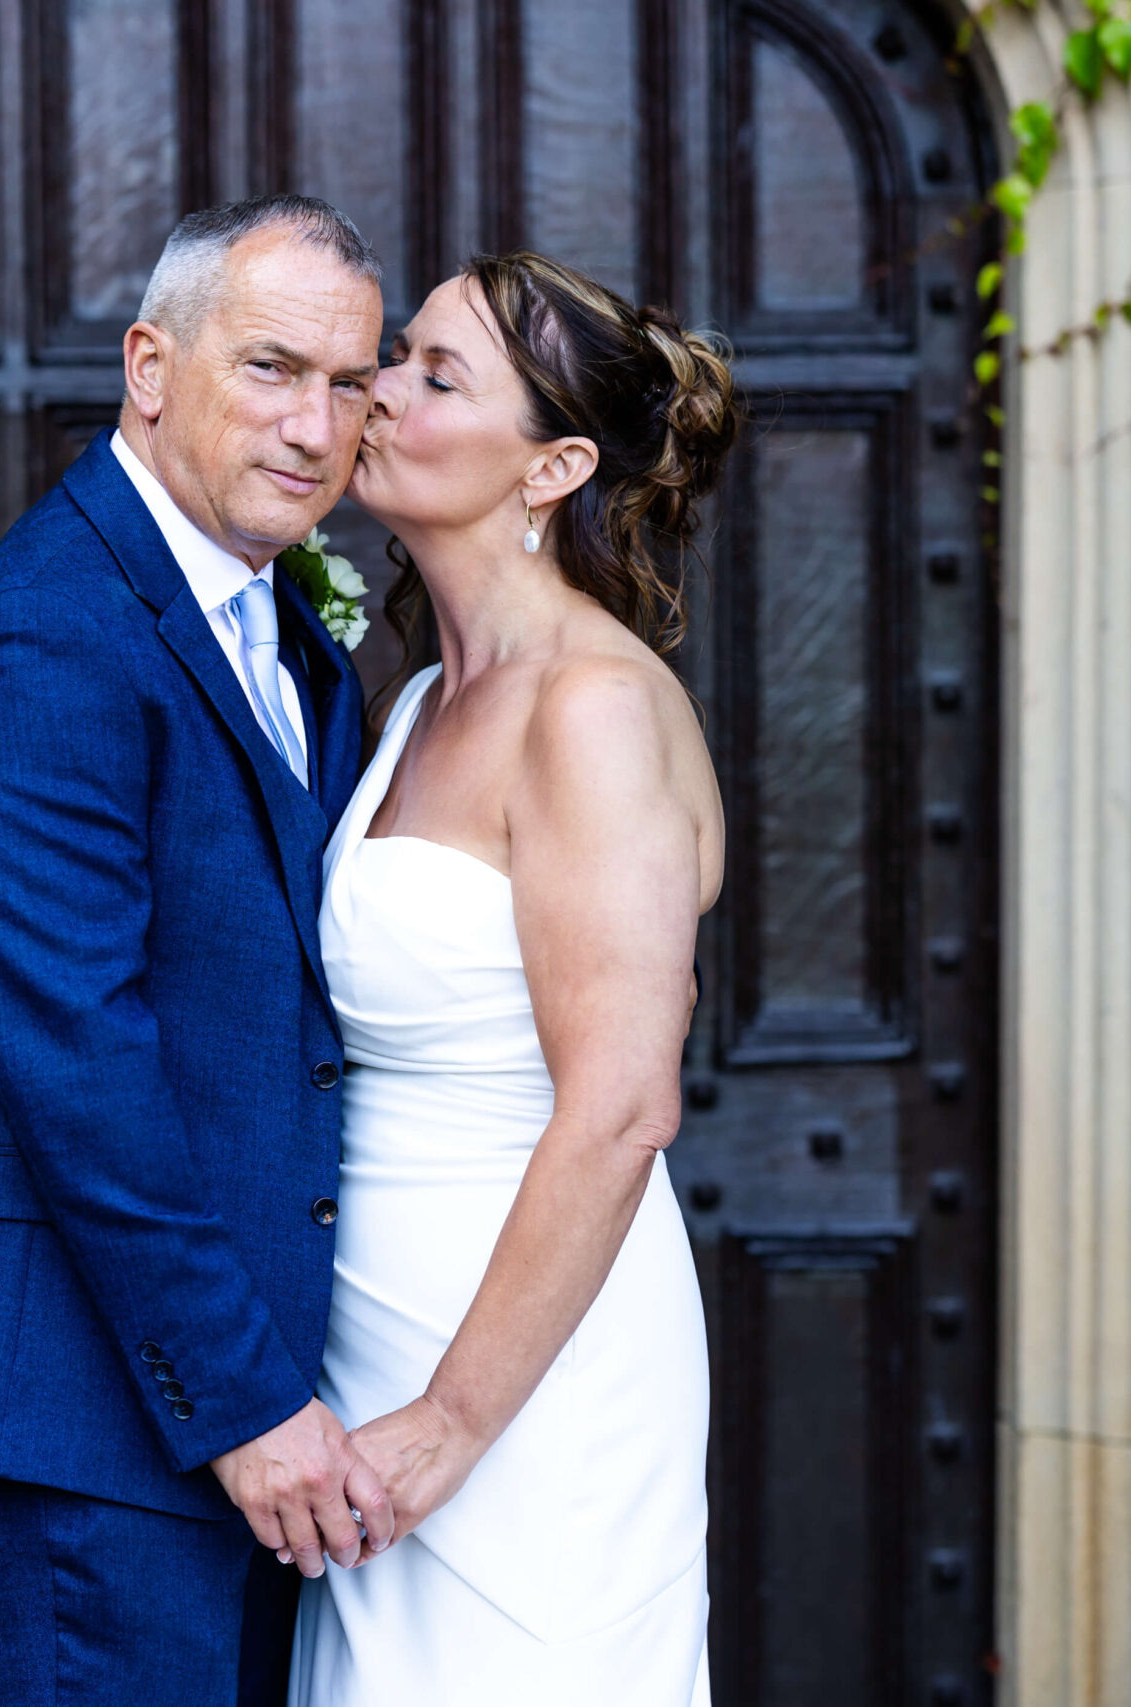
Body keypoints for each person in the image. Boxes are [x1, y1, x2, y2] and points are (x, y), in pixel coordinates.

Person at [0, 194, 393, 1707]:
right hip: (94, 1423)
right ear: (152, 367)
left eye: (350, 385)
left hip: (237, 1413)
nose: (315, 426)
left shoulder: (288, 632)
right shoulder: (37, 640)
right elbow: (81, 1071)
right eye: (273, 368)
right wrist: (246, 1405)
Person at [290, 252, 737, 1704]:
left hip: (521, 1376)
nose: (378, 394)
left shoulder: (594, 708)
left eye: (435, 374)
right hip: (370, 1334)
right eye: (397, 355)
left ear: (552, 465)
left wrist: (451, 1423)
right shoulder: (421, 696)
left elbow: (620, 1108)